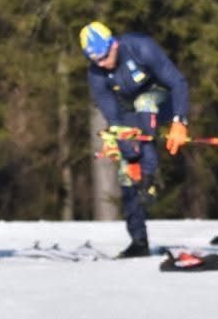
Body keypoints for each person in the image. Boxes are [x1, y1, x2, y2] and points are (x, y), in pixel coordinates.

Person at [80, 21, 191, 258]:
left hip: (162, 102)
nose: (103, 64)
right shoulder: (96, 74)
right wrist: (130, 158)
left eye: (105, 56)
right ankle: (138, 240)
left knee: (145, 102)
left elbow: (178, 82)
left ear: (114, 44)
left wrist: (179, 121)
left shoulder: (141, 48)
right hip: (131, 117)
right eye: (96, 61)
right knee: (126, 173)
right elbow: (114, 118)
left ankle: (149, 177)